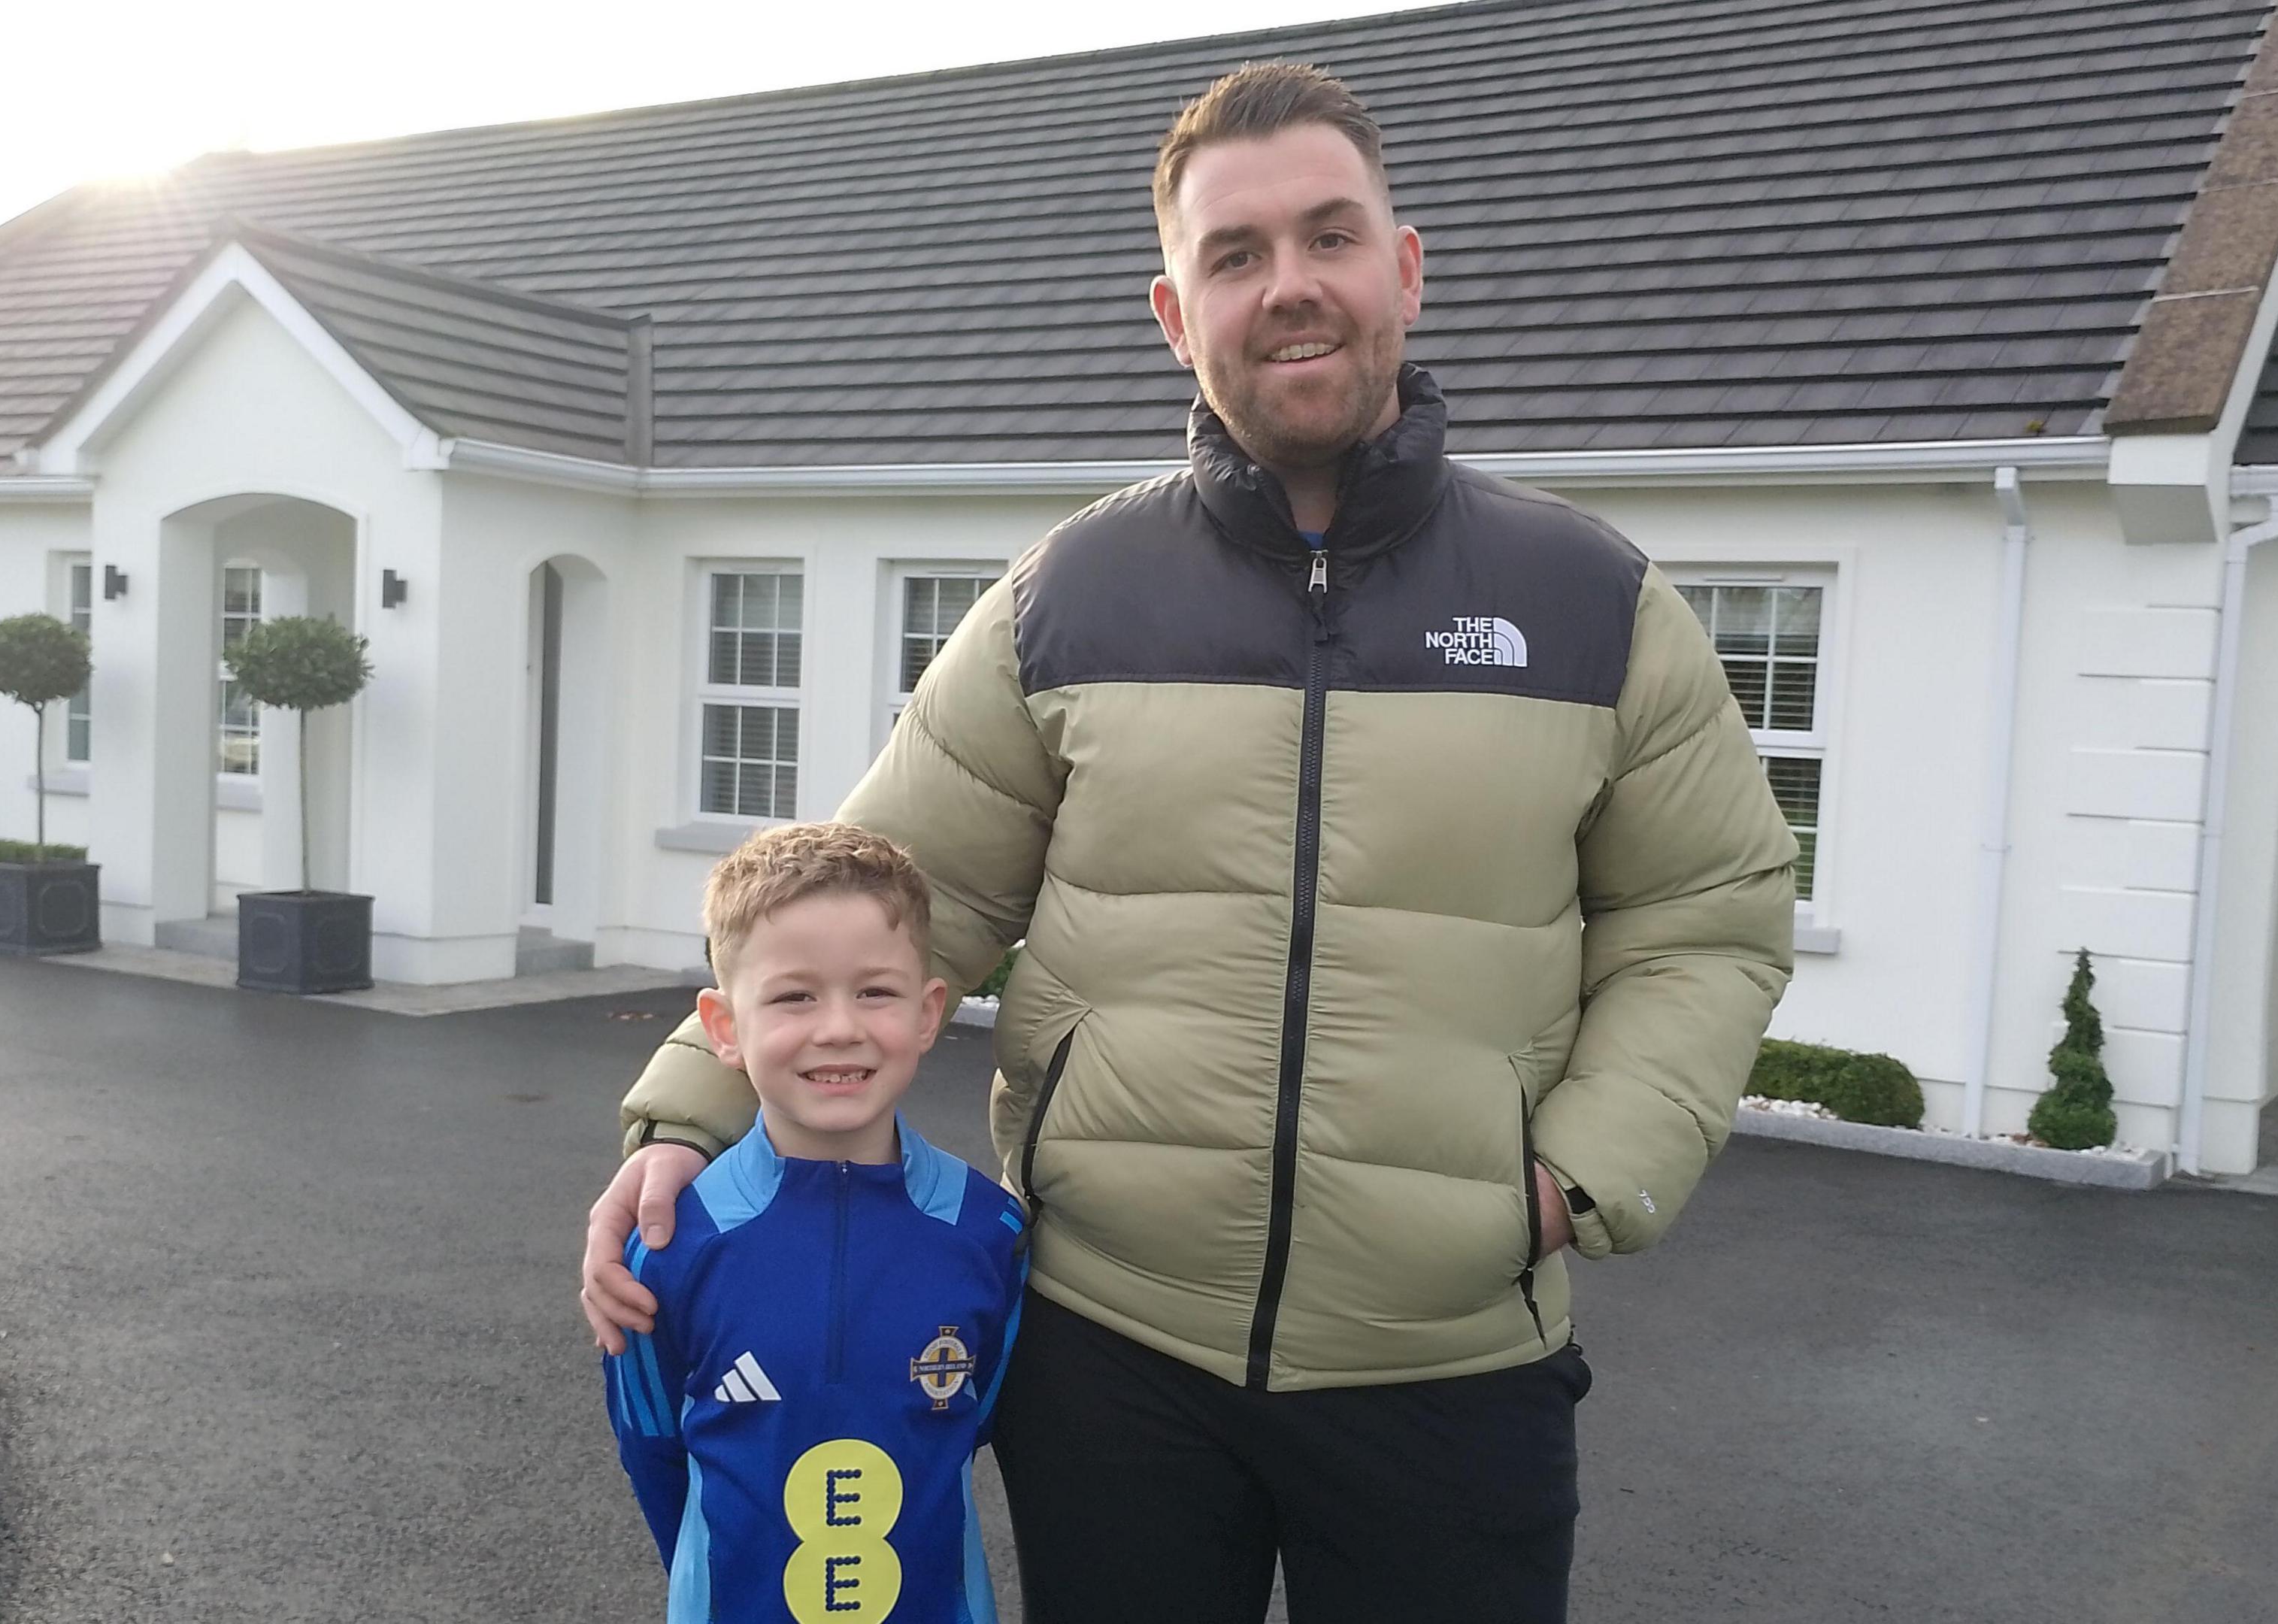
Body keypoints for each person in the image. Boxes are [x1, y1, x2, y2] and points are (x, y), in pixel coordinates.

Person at [586, 63, 1798, 1623]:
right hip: (1112, 1369)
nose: (1289, 288)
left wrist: (1570, 1176)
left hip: (1452, 1370)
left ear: (1404, 268)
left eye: (1328, 237)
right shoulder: (1067, 599)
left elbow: (1710, 916)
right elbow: (884, 894)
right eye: (1235, 255)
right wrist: (687, 1118)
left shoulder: (1591, 603)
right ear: (1176, 312)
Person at [600, 823, 1026, 1624]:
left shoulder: (988, 1231)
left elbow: (973, 1424)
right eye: (795, 995)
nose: (839, 1026)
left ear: (930, 1011)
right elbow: (653, 1447)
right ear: (725, 1028)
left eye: (875, 991)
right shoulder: (671, 1243)